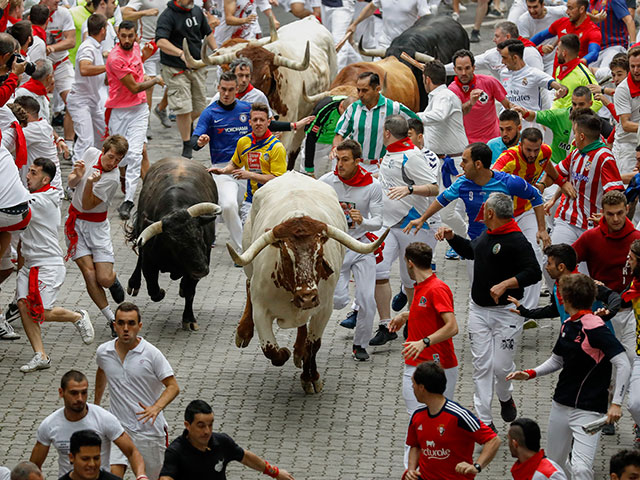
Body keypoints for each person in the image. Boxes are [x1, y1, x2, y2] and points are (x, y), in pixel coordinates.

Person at [508, 274, 630, 480]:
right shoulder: (568, 325)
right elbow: (557, 360)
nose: (560, 299)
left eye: (561, 295)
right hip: (560, 405)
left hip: (589, 410)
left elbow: (623, 363)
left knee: (582, 469)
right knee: (554, 465)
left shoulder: (595, 327)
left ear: (567, 298)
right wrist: (530, 373)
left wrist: (617, 403)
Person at [438, 192, 541, 431]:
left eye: (485, 210)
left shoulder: (516, 240)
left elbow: (534, 272)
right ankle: (484, 421)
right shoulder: (489, 234)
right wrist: (453, 237)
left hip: (506, 313)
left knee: (501, 367)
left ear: (491, 213)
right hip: (478, 311)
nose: (482, 213)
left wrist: (507, 283)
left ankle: (505, 397)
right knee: (481, 366)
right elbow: (472, 251)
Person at [367, 115, 440, 347]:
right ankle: (384, 324)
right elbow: (388, 180)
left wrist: (409, 189)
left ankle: (413, 319)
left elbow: (434, 188)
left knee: (412, 279)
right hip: (388, 225)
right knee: (378, 270)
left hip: (414, 226)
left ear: (387, 133)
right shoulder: (390, 152)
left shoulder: (412, 156)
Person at [16, 158, 95, 373]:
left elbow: (12, 203)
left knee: (40, 311)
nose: (27, 176)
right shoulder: (34, 195)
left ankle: (77, 316)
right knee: (23, 305)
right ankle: (40, 355)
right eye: (29, 171)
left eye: (33, 173)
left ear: (45, 179)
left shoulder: (43, 199)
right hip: (29, 265)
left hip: (48, 265)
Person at [388, 243, 459, 463]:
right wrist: (406, 316)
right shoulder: (422, 285)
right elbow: (426, 309)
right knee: (420, 421)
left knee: (429, 422)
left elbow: (452, 326)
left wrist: (424, 342)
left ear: (410, 263)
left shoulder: (436, 288)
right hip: (417, 362)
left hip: (437, 365)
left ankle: (421, 470)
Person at [404, 143, 549, 250]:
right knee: (476, 291)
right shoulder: (462, 183)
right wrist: (422, 219)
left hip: (503, 245)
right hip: (475, 243)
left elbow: (536, 196)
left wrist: (541, 229)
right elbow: (441, 200)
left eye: (465, 161)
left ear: (478, 164)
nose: (461, 165)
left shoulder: (508, 182)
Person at [95, 302, 180, 480]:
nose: (126, 328)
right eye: (121, 323)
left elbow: (173, 387)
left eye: (131, 323)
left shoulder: (152, 354)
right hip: (118, 428)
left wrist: (156, 408)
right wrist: (96, 405)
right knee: (111, 476)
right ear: (114, 325)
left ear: (139, 326)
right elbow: (102, 370)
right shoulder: (104, 352)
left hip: (149, 430)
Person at [319, 139, 383, 361]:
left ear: (358, 161)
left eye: (345, 160)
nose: (340, 165)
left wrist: (363, 220)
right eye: (337, 159)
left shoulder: (372, 186)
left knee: (367, 299)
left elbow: (379, 221)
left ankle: (360, 345)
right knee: (337, 301)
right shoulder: (326, 182)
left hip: (361, 246)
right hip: (335, 248)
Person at [493, 128, 567, 307]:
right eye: (528, 150)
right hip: (505, 215)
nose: (533, 154)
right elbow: (491, 175)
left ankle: (529, 308)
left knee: (535, 252)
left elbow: (547, 164)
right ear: (520, 145)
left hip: (527, 210)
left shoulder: (545, 152)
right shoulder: (509, 158)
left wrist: (561, 182)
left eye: (536, 150)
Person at [64, 136, 129, 337]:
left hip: (97, 227)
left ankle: (113, 280)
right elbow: (72, 185)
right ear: (103, 151)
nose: (113, 163)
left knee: (104, 277)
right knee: (89, 273)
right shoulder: (91, 153)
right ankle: (111, 319)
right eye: (110, 157)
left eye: (118, 160)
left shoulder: (110, 179)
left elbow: (89, 204)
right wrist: (76, 175)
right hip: (75, 225)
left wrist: (91, 183)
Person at [30, 370, 147, 478]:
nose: (80, 398)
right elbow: (34, 466)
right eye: (74, 393)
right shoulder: (50, 424)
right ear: (61, 393)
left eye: (84, 393)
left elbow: (132, 452)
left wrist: (141, 475)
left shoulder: (104, 418)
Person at [573, 190, 640, 363]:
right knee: (607, 363)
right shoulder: (591, 237)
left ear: (627, 209)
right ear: (602, 212)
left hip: (633, 311)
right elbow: (564, 262)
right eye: (610, 214)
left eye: (620, 213)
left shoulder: (637, 239)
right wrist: (585, 281)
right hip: (602, 310)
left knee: (633, 359)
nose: (616, 219)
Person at [105, 21, 163, 221]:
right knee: (119, 154)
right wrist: (154, 80)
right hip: (120, 112)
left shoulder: (136, 48)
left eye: (131, 36)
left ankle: (129, 200)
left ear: (136, 35)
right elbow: (135, 87)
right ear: (118, 36)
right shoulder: (115, 58)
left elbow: (138, 62)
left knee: (137, 153)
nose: (127, 40)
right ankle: (116, 182)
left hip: (139, 109)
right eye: (123, 36)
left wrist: (145, 60)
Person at [404, 362, 501, 479]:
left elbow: (493, 440)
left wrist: (477, 466)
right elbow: (415, 446)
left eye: (413, 384)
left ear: (422, 388)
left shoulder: (459, 415)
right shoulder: (417, 415)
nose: (412, 387)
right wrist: (411, 470)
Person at [159, 399, 295, 480]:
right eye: (201, 426)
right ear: (187, 425)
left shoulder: (222, 442)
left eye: (210, 425)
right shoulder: (176, 451)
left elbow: (245, 457)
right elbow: (166, 476)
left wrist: (275, 473)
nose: (207, 431)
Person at [549, 112, 624, 255]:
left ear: (582, 136)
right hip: (568, 219)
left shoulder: (604, 157)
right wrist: (559, 184)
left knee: (585, 274)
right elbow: (556, 172)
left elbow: (616, 192)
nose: (573, 137)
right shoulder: (576, 153)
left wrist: (607, 215)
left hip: (591, 225)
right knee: (552, 261)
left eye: (575, 133)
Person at [416, 60, 468, 258]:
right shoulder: (436, 96)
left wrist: (412, 115)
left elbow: (438, 116)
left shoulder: (445, 96)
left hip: (454, 164)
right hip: (436, 162)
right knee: (435, 211)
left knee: (445, 213)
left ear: (426, 79)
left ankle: (467, 243)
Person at [156, 0, 216, 159]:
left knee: (200, 107)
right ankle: (187, 144)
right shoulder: (167, 16)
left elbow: (207, 33)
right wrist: (181, 53)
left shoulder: (197, 11)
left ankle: (186, 124)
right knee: (183, 108)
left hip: (197, 66)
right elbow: (161, 41)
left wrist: (216, 51)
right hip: (176, 68)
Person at [208, 102, 286, 223]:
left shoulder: (276, 147)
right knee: (248, 238)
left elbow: (278, 179)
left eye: (262, 120)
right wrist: (223, 171)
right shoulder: (243, 142)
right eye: (255, 120)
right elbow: (235, 164)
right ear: (250, 122)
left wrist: (250, 175)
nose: (258, 123)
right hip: (250, 200)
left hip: (271, 201)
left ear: (268, 122)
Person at [509, 243, 620, 326]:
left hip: (597, 345)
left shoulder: (585, 284)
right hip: (573, 341)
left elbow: (614, 296)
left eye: (549, 264)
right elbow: (554, 310)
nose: (546, 267)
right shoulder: (557, 286)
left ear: (561, 267)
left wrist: (608, 312)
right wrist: (526, 312)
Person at [333, 71, 419, 173]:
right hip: (356, 166)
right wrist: (336, 148)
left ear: (377, 89)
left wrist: (410, 152)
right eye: (358, 90)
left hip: (382, 166)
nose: (360, 94)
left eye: (365, 90)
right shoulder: (353, 108)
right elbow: (339, 134)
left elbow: (417, 123)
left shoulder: (393, 107)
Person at [515, 86, 608, 166]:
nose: (577, 108)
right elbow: (535, 116)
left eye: (581, 104)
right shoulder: (559, 116)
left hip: (579, 169)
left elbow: (613, 135)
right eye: (574, 104)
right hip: (556, 166)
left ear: (590, 104)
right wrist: (524, 112)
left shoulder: (596, 122)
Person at [498, 39, 567, 133]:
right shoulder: (503, 73)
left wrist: (561, 91)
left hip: (529, 128)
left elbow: (560, 87)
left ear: (515, 58)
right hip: (509, 128)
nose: (502, 62)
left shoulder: (534, 74)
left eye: (505, 58)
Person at [448, 49, 512, 144]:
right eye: (460, 69)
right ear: (454, 70)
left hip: (494, 140)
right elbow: (457, 114)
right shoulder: (452, 90)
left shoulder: (489, 82)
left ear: (474, 68)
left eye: (467, 68)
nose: (463, 73)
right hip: (468, 143)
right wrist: (470, 103)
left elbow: (508, 105)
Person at [66, 13, 107, 163]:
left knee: (102, 135)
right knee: (85, 139)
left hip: (92, 100)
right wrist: (108, 66)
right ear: (103, 30)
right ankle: (74, 181)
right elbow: (84, 69)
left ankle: (94, 167)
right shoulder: (87, 47)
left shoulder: (94, 47)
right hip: (80, 100)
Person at [448, 22, 544, 78]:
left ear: (508, 37)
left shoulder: (530, 54)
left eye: (497, 36)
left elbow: (541, 81)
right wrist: (438, 68)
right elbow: (466, 63)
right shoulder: (492, 55)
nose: (493, 40)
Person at [40, 0, 76, 146]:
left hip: (61, 63)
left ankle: (69, 144)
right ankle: (45, 142)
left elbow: (71, 41)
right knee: (38, 105)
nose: (59, 1)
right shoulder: (31, 14)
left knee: (73, 101)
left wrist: (52, 48)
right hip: (40, 67)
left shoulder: (64, 13)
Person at [13, 95, 65, 192]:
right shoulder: (42, 124)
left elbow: (6, 140)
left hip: (45, 191)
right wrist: (59, 139)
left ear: (26, 115)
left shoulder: (33, 130)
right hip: (47, 187)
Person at [530, 0, 601, 65]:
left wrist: (578, 63)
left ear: (581, 9)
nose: (567, 12)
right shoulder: (562, 22)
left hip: (575, 75)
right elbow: (541, 36)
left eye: (570, 8)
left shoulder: (593, 31)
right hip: (556, 75)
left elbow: (594, 53)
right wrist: (525, 46)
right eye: (567, 8)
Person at [345, 0, 430, 50]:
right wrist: (354, 24)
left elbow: (426, 17)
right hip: (384, 44)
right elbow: (371, 7)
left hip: (407, 45)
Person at [303, 94, 353, 176]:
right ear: (340, 106)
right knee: (308, 174)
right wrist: (309, 168)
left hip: (339, 141)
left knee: (336, 173)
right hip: (319, 141)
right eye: (345, 115)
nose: (346, 119)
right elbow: (311, 136)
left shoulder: (354, 109)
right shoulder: (325, 108)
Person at [551, 34, 601, 110]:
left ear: (564, 53)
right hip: (557, 117)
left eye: (558, 49)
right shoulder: (559, 69)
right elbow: (559, 100)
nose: (557, 52)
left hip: (573, 119)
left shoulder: (583, 74)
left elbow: (598, 102)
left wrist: (579, 117)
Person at [517, 0, 567, 75]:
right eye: (529, 7)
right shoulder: (523, 20)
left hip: (552, 61)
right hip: (533, 59)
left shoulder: (559, 12)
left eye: (535, 7)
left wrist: (556, 44)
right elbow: (524, 46)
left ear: (543, 5)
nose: (532, 11)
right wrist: (540, 49)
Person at [589, 0, 635, 80]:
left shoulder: (613, 0)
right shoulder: (591, 3)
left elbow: (629, 20)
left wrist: (633, 45)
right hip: (596, 49)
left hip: (614, 46)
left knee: (606, 77)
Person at [613, 46, 640, 176]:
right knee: (626, 191)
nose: (636, 70)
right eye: (632, 66)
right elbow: (626, 124)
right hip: (627, 148)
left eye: (639, 66)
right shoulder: (623, 89)